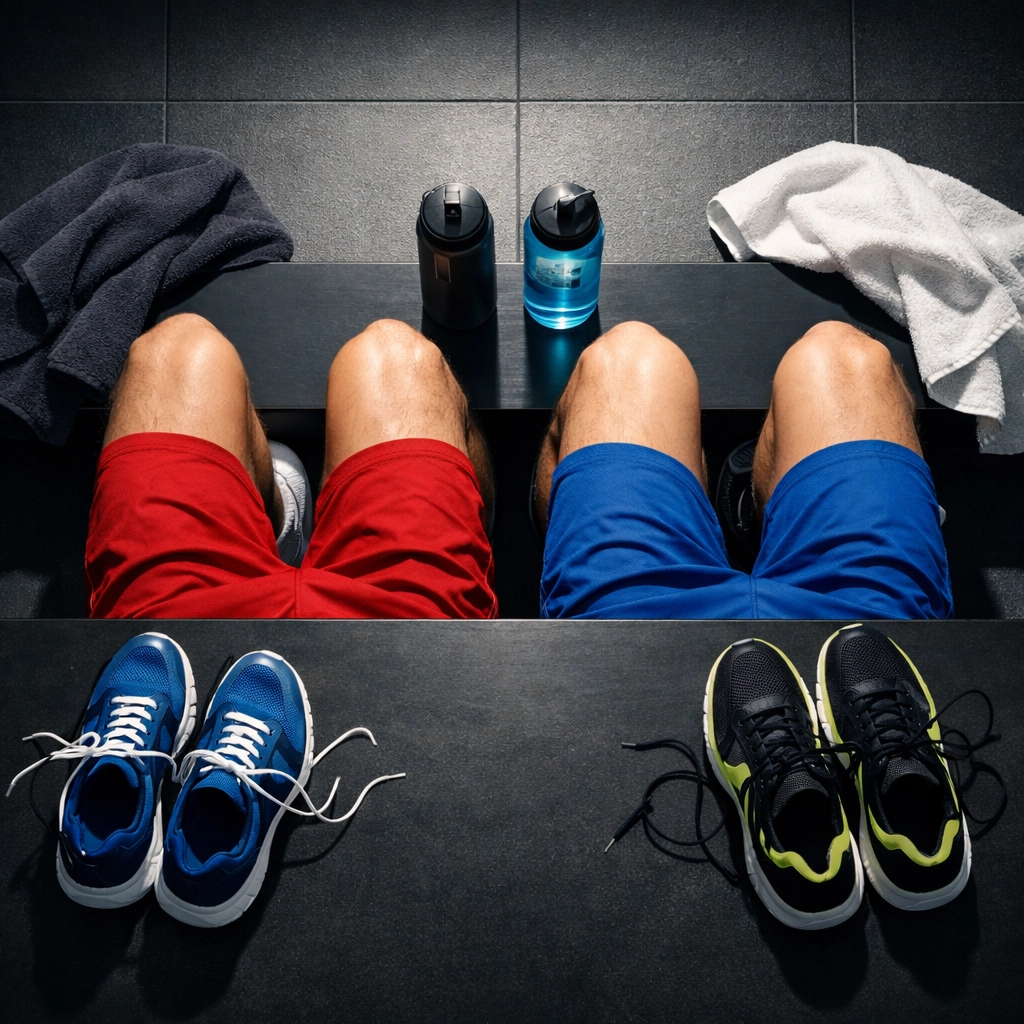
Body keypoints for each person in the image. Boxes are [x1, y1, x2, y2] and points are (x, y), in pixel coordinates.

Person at [533, 319, 952, 619]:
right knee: (846, 355)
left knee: (624, 357)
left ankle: (569, 532)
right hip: (865, 637)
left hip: (641, 630)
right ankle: (772, 527)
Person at [86, 314, 496, 619]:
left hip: (176, 636)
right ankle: (468, 531)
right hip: (400, 630)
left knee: (174, 351)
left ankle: (265, 528)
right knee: (397, 357)